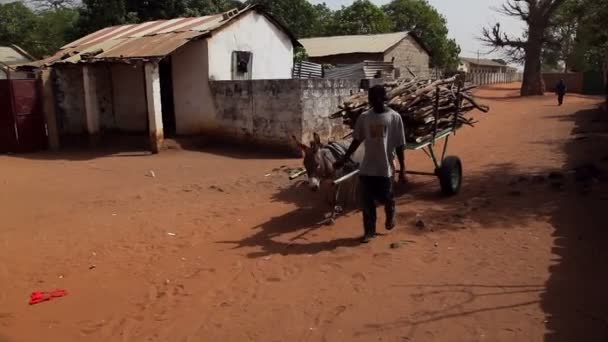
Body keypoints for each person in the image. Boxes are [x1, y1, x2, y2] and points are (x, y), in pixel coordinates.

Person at [334, 85, 406, 243]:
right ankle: (369, 231)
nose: (370, 101)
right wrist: (344, 158)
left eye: (373, 98)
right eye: (370, 98)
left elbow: (400, 145)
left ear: (381, 98)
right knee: (366, 201)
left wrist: (403, 170)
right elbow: (357, 140)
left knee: (386, 197)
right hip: (367, 167)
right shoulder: (364, 117)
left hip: (385, 167)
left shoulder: (394, 118)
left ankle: (390, 211)